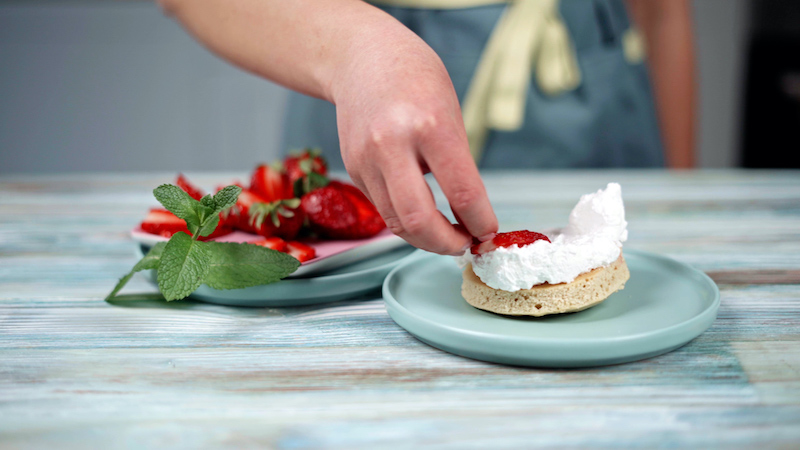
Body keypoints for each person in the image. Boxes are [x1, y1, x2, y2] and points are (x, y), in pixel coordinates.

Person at [156, 0, 695, 256]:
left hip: (594, 79)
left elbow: (667, 10)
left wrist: (685, 201)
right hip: (357, 71)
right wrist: (356, 52)